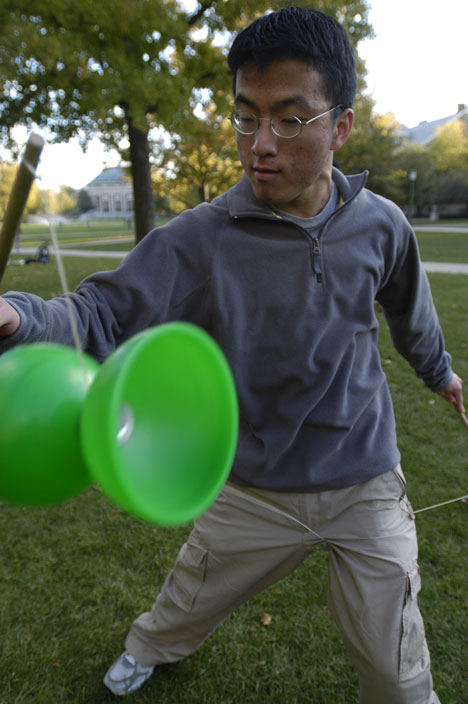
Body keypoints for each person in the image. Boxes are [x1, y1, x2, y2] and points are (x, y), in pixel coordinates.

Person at [0, 7, 464, 703]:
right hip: (253, 484)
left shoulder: (384, 225)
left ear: (340, 125)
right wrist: (16, 315)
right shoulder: (199, 238)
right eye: (246, 116)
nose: (260, 143)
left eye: (289, 118)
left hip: (363, 478)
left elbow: (410, 313)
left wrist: (442, 375)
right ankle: (147, 649)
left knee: (399, 673)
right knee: (190, 595)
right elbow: (100, 312)